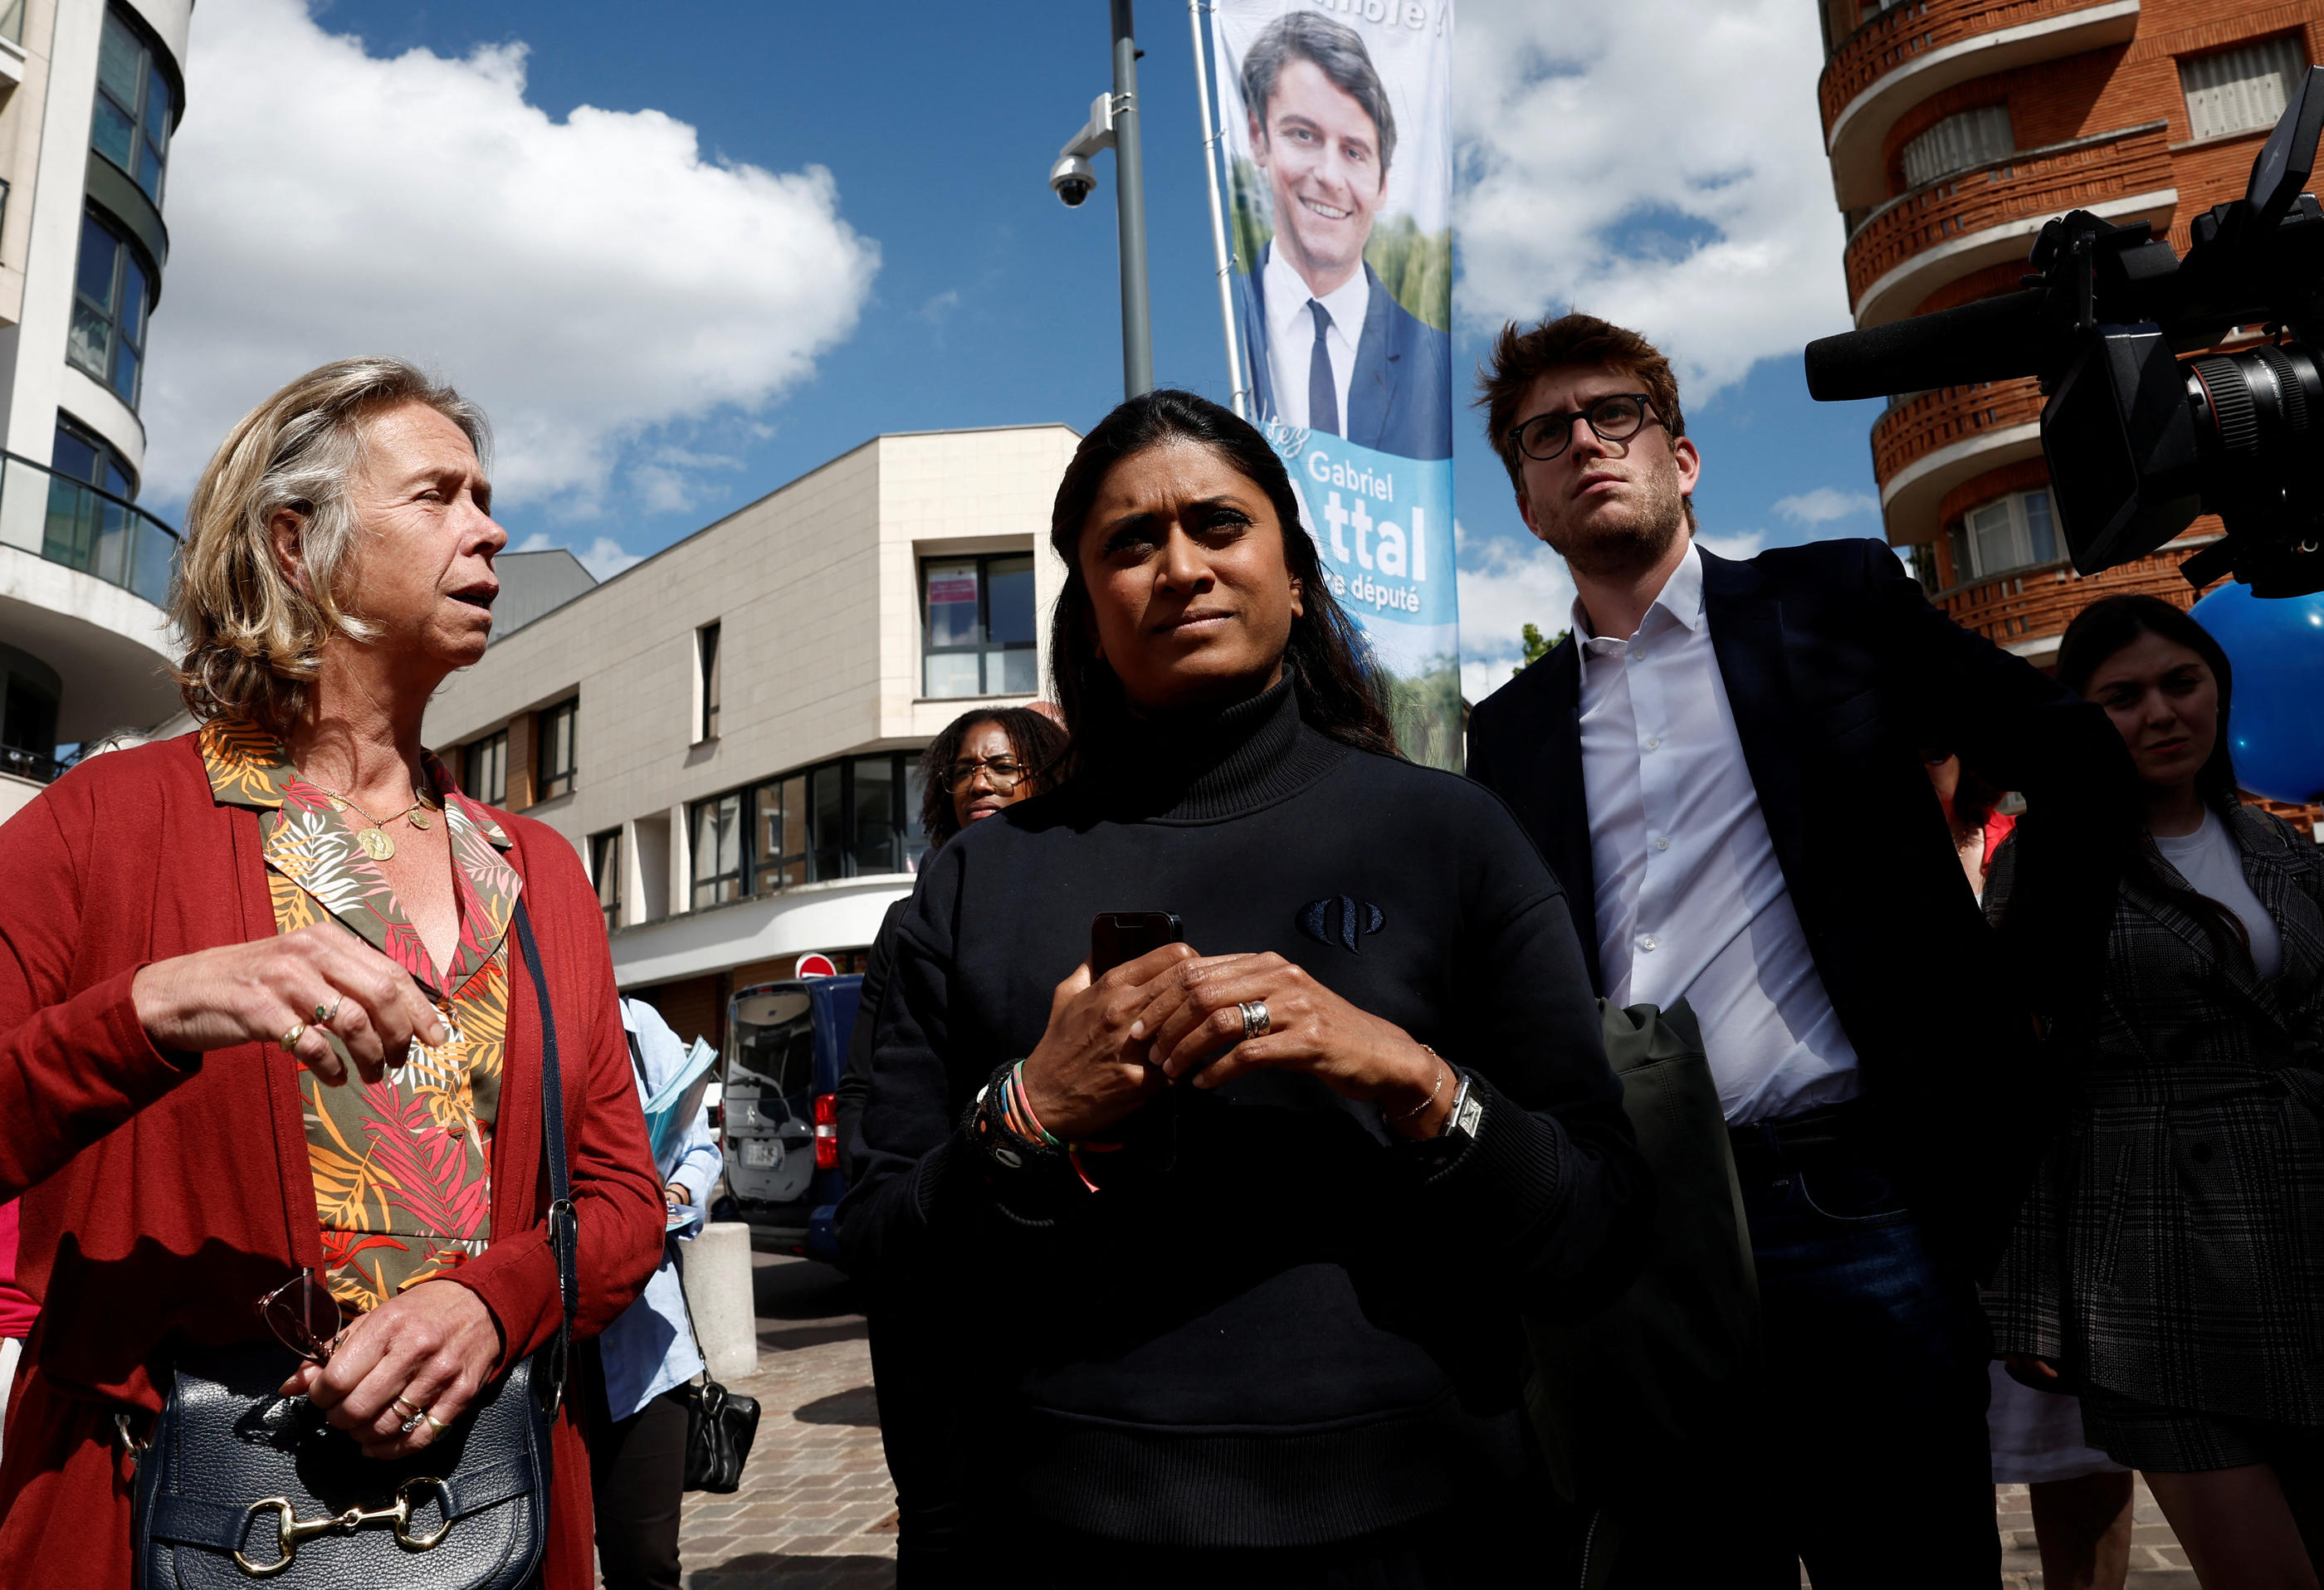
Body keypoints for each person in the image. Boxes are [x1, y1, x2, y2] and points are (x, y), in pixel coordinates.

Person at [838, 387, 1647, 1580]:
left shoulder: (1450, 838)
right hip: (1061, 1538)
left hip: (1432, 1533)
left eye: (1219, 525)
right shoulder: (975, 888)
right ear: (1089, 607)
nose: (1180, 567)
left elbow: (1598, 1234)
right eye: (1130, 541)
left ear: (1296, 570)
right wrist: (1029, 1115)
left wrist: (1411, 1078)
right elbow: (879, 1253)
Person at [1462, 312, 2133, 1588]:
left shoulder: (1832, 602)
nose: (1587, 445)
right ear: (1529, 503)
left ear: (1685, 455)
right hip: (1641, 1234)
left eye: (1617, 416)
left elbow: (2075, 756)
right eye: (1547, 436)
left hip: (1856, 1202)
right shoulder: (1513, 732)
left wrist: (2027, 997)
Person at [0, 357, 664, 1588]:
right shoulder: (103, 824)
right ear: (296, 544)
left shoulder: (540, 874)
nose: (492, 526)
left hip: (482, 1520)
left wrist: (496, 1299)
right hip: (166, 1515)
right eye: (440, 494)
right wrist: (153, 1008)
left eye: (486, 494)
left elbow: (625, 1202)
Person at [1990, 594, 2324, 1589]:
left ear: (2218, 687)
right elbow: (2020, 1086)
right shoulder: (2046, 866)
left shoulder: (2281, 852)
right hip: (2146, 1264)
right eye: (2122, 696)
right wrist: (2028, 1300)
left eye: (2180, 682)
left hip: (2302, 1232)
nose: (2161, 712)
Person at [841, 704, 1070, 1573]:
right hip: (929, 1241)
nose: (981, 780)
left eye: (1006, 765)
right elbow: (868, 1079)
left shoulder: (1076, 886)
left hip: (1038, 1246)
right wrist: (878, 1193)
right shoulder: (911, 918)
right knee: (939, 1511)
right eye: (964, 769)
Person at [1922, 752, 2135, 1590]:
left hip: (2044, 1198)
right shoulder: (1830, 845)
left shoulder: (2033, 842)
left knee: (2078, 1451)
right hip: (1904, 1207)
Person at [1235, 10, 1450, 460]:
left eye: (1354, 152)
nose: (1330, 176)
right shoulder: (1225, 318)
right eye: (1303, 134)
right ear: (1258, 137)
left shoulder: (1429, 359)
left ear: (1383, 183)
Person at [586, 995, 725, 1590]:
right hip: (539, 1354)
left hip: (646, 1351)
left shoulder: (639, 1027)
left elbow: (698, 1147)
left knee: (646, 1564)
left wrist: (673, 1197)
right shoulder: (501, 1026)